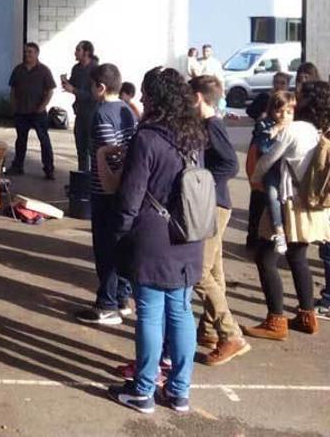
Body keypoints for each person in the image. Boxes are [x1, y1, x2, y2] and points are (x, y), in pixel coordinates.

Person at [108, 68, 206, 414]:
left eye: (147, 94)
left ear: (155, 98)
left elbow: (130, 198)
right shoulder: (195, 136)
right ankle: (179, 391)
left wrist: (119, 238)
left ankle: (144, 390)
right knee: (181, 312)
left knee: (149, 314)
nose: (143, 99)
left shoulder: (147, 138)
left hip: (153, 238)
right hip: (190, 236)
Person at [245, 81, 330, 340]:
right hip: (308, 202)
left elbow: (266, 161)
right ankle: (307, 315)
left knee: (265, 257)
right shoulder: (317, 131)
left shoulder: (292, 130)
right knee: (298, 257)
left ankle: (276, 321)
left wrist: (256, 179)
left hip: (286, 202)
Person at [189, 75, 250, 366]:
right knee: (214, 269)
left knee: (198, 271)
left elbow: (230, 163)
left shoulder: (213, 125)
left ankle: (231, 334)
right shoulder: (208, 124)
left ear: (198, 97)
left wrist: (204, 183)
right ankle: (210, 328)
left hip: (214, 205)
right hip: (215, 203)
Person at [76, 63, 136, 326]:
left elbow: (110, 152)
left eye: (92, 85)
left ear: (100, 87)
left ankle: (107, 304)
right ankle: (122, 298)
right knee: (121, 246)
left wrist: (111, 174)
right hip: (123, 189)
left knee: (105, 248)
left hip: (105, 190)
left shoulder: (101, 114)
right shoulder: (126, 110)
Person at [253, 92, 297, 254]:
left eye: (289, 112)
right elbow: (264, 149)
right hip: (271, 169)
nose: (284, 116)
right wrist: (277, 130)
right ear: (272, 110)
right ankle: (279, 231)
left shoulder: (295, 127)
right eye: (280, 111)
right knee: (272, 195)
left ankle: (292, 230)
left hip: (289, 171)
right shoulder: (265, 125)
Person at [6, 42, 57, 179]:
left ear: (37, 54)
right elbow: (13, 89)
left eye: (30, 52)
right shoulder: (18, 70)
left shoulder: (44, 70)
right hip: (21, 112)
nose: (27, 54)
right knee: (21, 141)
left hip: (38, 113)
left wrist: (42, 106)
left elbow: (50, 90)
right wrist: (14, 106)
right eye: (26, 52)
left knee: (44, 141)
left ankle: (49, 169)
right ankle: (18, 166)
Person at [61, 40, 99, 171]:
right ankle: (82, 177)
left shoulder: (95, 70)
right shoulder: (76, 68)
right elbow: (74, 85)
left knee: (91, 147)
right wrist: (66, 82)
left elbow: (93, 95)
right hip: (80, 112)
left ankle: (92, 179)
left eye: (78, 50)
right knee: (80, 147)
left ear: (86, 52)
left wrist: (74, 90)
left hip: (92, 113)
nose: (75, 52)